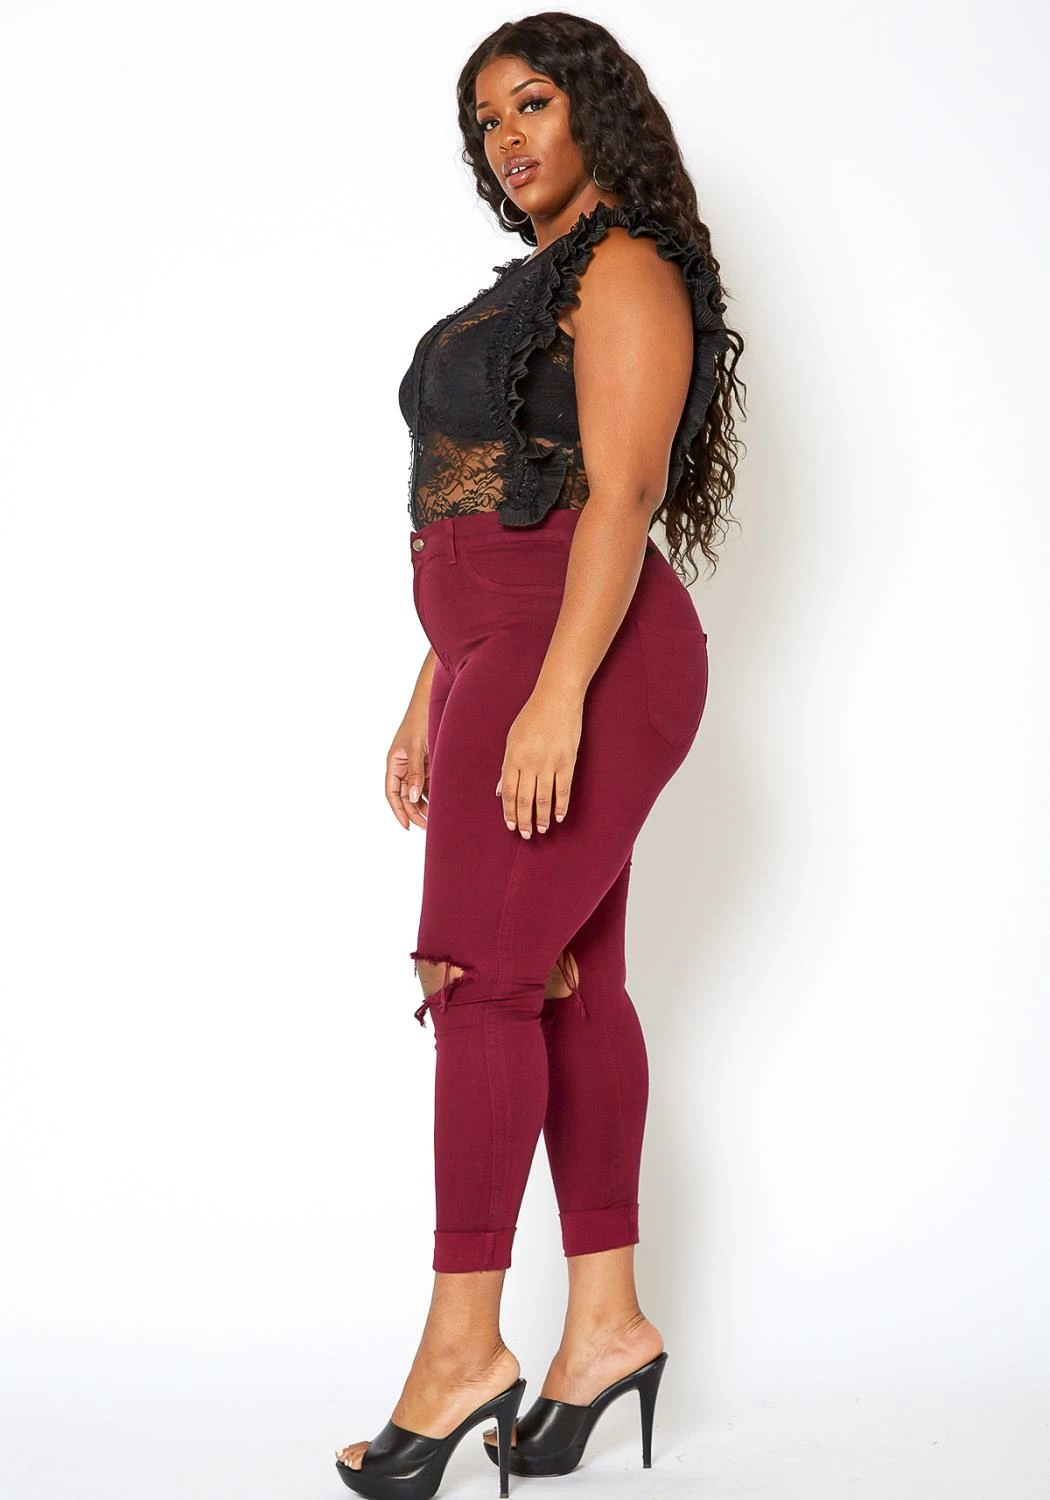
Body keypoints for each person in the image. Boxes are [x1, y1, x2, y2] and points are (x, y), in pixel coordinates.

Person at [335, 15, 744, 1498]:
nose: (506, 137)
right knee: (568, 982)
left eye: (532, 103)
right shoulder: (530, 285)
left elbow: (617, 497)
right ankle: (605, 1330)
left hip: (588, 650)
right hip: (504, 651)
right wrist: (432, 690)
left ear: (595, 114)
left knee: (478, 978)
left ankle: (462, 1353)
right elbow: (498, 501)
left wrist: (557, 694)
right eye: (485, 119)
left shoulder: (624, 265)